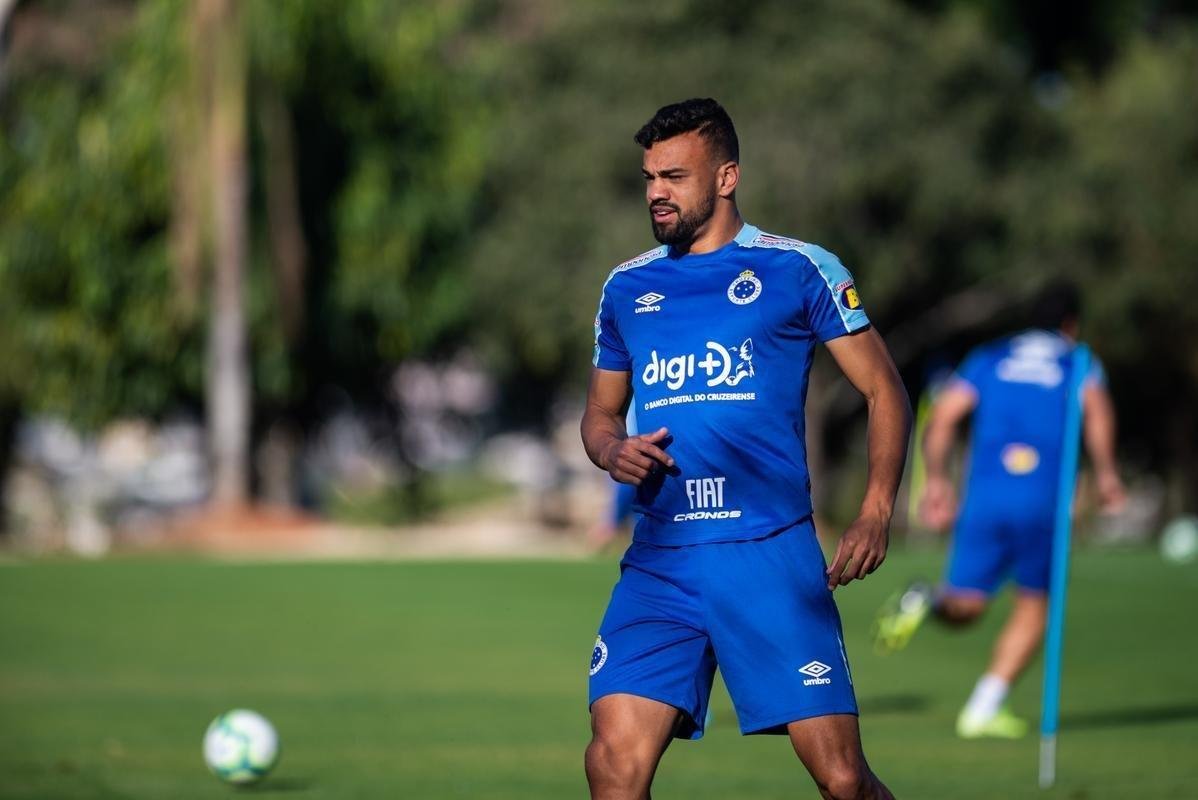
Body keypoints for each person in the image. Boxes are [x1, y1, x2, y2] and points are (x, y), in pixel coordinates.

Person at [581, 98, 911, 800]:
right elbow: (599, 416)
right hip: (662, 561)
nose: (656, 193)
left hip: (769, 554)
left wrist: (877, 507)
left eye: (674, 176)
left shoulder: (798, 269)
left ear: (726, 176)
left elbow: (885, 390)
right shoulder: (627, 286)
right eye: (648, 178)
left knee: (842, 779)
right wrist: (613, 453)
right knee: (613, 760)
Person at [873, 281, 1126, 739]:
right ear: (1071, 324)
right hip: (1042, 500)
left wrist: (936, 481)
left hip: (984, 499)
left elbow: (945, 416)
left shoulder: (990, 356)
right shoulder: (1079, 361)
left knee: (966, 604)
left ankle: (928, 602)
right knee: (1035, 607)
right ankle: (984, 708)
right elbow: (1098, 412)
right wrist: (1107, 474)